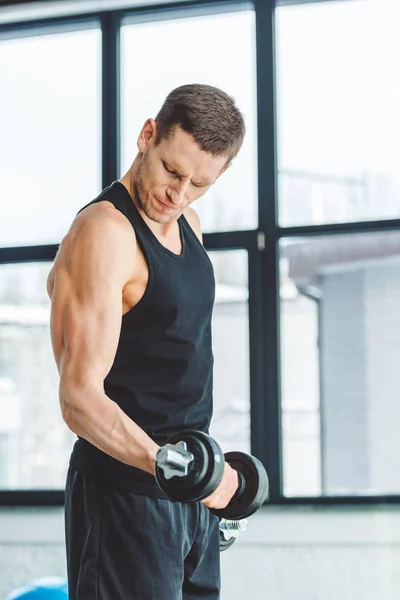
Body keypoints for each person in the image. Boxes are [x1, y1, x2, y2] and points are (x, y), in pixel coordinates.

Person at [47, 83, 246, 599]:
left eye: (198, 183)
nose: (177, 195)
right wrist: (175, 467)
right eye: (171, 170)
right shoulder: (104, 232)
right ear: (147, 135)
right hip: (125, 494)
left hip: (188, 496)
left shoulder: (190, 225)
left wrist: (198, 481)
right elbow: (78, 398)